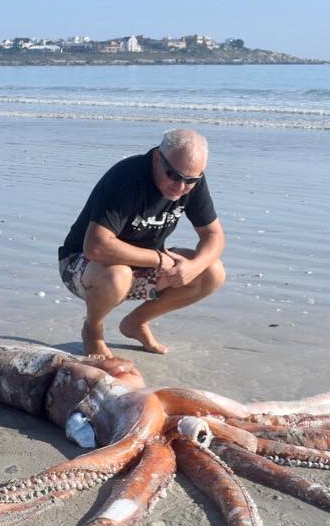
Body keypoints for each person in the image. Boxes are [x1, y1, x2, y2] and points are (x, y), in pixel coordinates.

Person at [58, 128, 225, 356]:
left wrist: (193, 267)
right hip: (85, 267)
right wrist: (158, 259)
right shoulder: (127, 178)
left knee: (212, 271)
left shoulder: (190, 180)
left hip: (145, 267)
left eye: (191, 180)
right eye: (173, 176)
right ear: (157, 157)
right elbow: (96, 245)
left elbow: (214, 236)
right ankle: (92, 330)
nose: (180, 186)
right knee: (118, 275)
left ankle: (135, 323)